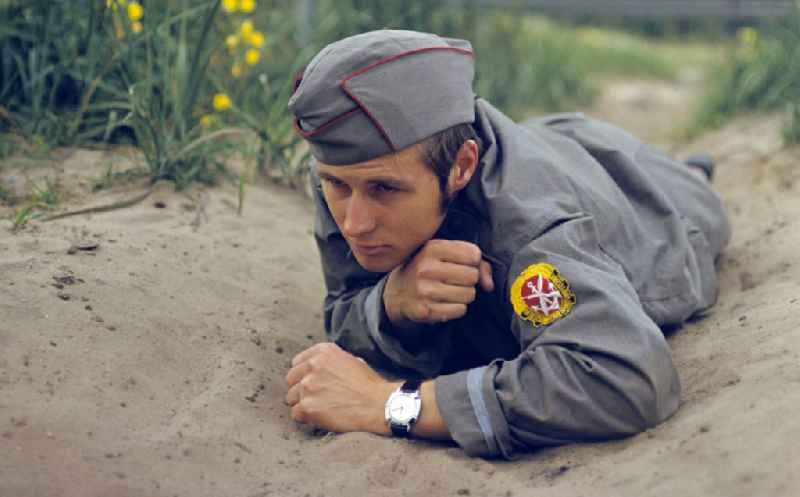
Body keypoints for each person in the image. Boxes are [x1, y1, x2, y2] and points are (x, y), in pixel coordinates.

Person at [284, 29, 730, 459]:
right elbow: (344, 305)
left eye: (384, 190)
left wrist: (390, 404)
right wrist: (391, 302)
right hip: (541, 137)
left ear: (461, 167)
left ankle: (691, 171)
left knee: (693, 195)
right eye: (336, 186)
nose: (355, 224)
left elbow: (626, 380)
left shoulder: (534, 229)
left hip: (645, 195)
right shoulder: (353, 164)